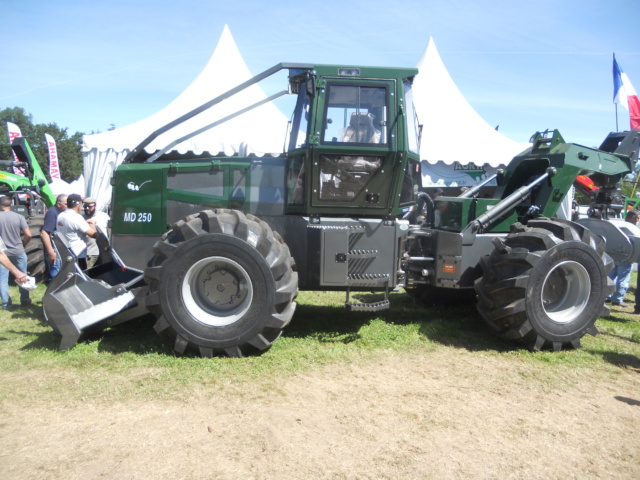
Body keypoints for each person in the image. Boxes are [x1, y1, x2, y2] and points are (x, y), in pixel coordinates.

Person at [0, 196, 32, 309]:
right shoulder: (19, 217)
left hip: (2, 253)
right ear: (11, 204)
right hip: (18, 250)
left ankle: (6, 304)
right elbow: (28, 234)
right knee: (22, 275)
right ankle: (25, 300)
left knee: (2, 279)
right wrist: (23, 244)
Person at [56, 194, 97, 270]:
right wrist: (92, 224)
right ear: (79, 206)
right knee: (81, 278)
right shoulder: (77, 217)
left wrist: (84, 223)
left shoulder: (60, 216)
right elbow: (93, 234)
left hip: (64, 253)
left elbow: (72, 227)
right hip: (78, 254)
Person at [608, 209, 640, 307]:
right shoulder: (632, 229)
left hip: (614, 254)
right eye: (638, 218)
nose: (638, 220)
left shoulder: (619, 226)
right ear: (633, 217)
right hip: (626, 256)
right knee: (623, 278)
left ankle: (606, 295)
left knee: (610, 277)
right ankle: (617, 299)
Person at [41, 194, 67, 282]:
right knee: (55, 277)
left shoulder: (61, 213)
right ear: (59, 204)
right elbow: (44, 233)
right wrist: (51, 252)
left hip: (60, 249)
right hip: (54, 249)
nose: (68, 206)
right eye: (66, 204)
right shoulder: (52, 213)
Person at [81, 197, 110, 268]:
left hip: (103, 251)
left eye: (89, 206)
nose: (87, 208)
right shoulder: (81, 218)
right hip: (89, 252)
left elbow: (109, 232)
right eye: (85, 206)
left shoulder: (104, 216)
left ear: (95, 206)